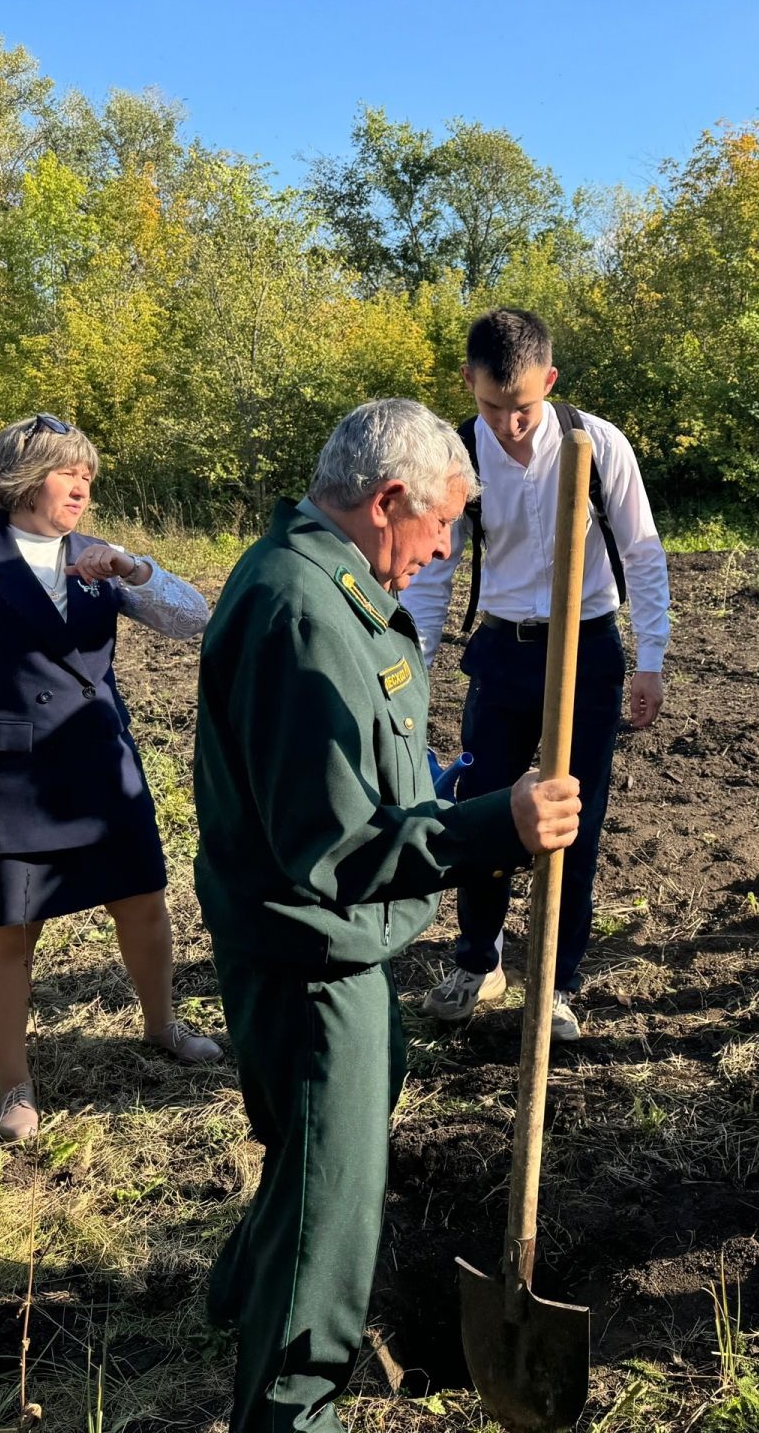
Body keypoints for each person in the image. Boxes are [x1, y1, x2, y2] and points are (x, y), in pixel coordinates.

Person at [192, 397, 582, 1432]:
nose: (446, 549)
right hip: (310, 959)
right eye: (443, 524)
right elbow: (335, 847)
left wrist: (453, 801)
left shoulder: (324, 585)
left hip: (317, 947)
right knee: (334, 1210)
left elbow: (364, 784)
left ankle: (237, 1292)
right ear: (387, 498)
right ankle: (290, 1404)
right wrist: (497, 824)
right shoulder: (305, 613)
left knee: (318, 1147)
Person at [0, 414, 221, 1145]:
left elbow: (192, 620)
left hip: (98, 766)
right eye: (69, 473)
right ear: (24, 481)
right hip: (8, 776)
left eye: (88, 473)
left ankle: (161, 1025)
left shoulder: (96, 557)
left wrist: (134, 568)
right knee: (9, 933)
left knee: (143, 903)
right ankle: (14, 1085)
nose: (83, 486)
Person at [404, 309, 671, 1042]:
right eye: (493, 406)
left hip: (589, 651)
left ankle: (556, 981)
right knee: (481, 810)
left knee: (571, 821)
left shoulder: (597, 443)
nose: (510, 423)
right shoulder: (457, 453)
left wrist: (651, 657)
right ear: (469, 383)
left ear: (548, 382)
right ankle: (478, 960)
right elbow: (432, 574)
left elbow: (643, 552)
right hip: (502, 649)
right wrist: (414, 672)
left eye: (523, 406)